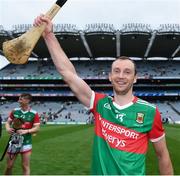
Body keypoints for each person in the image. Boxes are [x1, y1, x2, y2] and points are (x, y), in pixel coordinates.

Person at [33, 15, 173, 175]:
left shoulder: (149, 112)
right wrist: (49, 35)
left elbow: (162, 156)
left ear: (135, 78)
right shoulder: (99, 104)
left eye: (127, 72)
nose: (121, 76)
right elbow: (68, 73)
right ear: (110, 76)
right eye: (117, 71)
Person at [4, 93, 40, 175]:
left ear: (27, 101)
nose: (18, 101)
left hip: (26, 143)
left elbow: (37, 128)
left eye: (20, 99)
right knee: (9, 166)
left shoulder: (34, 113)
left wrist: (26, 131)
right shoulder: (15, 111)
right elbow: (8, 122)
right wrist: (8, 128)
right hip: (14, 142)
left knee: (25, 166)